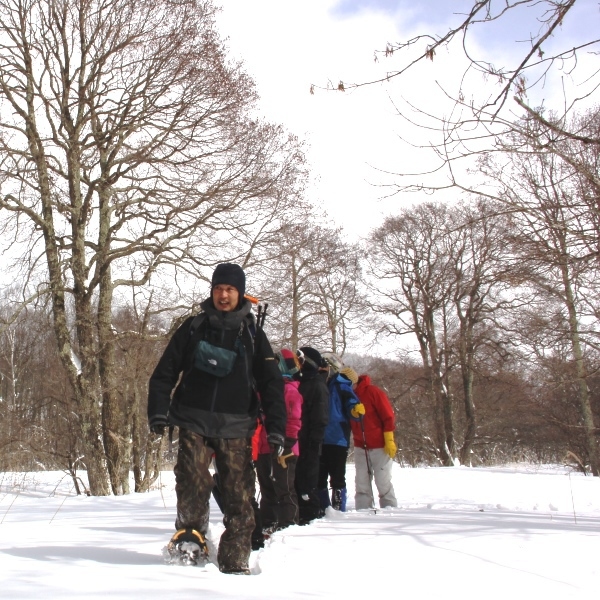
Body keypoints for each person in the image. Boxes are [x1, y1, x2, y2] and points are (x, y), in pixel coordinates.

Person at [147, 263, 286, 574]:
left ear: (240, 294)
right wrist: (158, 410)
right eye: (219, 289)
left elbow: (272, 385)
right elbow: (165, 372)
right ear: (212, 291)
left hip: (236, 425)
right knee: (192, 483)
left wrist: (276, 429)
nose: (223, 295)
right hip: (192, 419)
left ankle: (235, 559)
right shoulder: (193, 327)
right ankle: (190, 540)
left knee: (239, 493)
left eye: (230, 290)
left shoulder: (253, 334)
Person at [255, 349, 303, 532]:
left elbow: (293, 419)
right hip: (264, 447)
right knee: (268, 490)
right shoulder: (267, 388)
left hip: (284, 448)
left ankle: (288, 525)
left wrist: (288, 443)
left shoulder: (289, 389)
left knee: (284, 489)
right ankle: (268, 523)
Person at [317, 357, 364, 513]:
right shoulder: (327, 383)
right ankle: (328, 508)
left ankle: (334, 508)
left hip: (333, 437)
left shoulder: (338, 385)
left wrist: (355, 411)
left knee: (332, 476)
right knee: (324, 475)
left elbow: (352, 403)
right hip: (327, 436)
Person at [350, 373, 398, 510]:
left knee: (382, 481)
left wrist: (389, 439)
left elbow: (388, 416)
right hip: (360, 445)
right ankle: (363, 510)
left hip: (380, 446)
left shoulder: (373, 392)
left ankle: (390, 509)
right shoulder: (349, 396)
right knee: (361, 482)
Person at [294, 346, 329, 525]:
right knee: (296, 480)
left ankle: (310, 516)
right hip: (296, 439)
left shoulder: (316, 384)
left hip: (309, 441)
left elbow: (320, 417)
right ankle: (299, 514)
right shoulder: (299, 381)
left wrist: (315, 441)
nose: (297, 363)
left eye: (300, 359)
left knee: (307, 482)